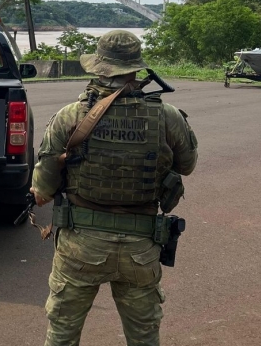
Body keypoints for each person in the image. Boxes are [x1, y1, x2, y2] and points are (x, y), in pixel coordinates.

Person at [31, 30, 198, 346]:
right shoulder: (167, 116)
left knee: (62, 335)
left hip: (80, 249)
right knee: (144, 338)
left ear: (98, 67)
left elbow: (42, 193)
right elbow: (187, 166)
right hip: (141, 248)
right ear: (137, 69)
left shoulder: (70, 116)